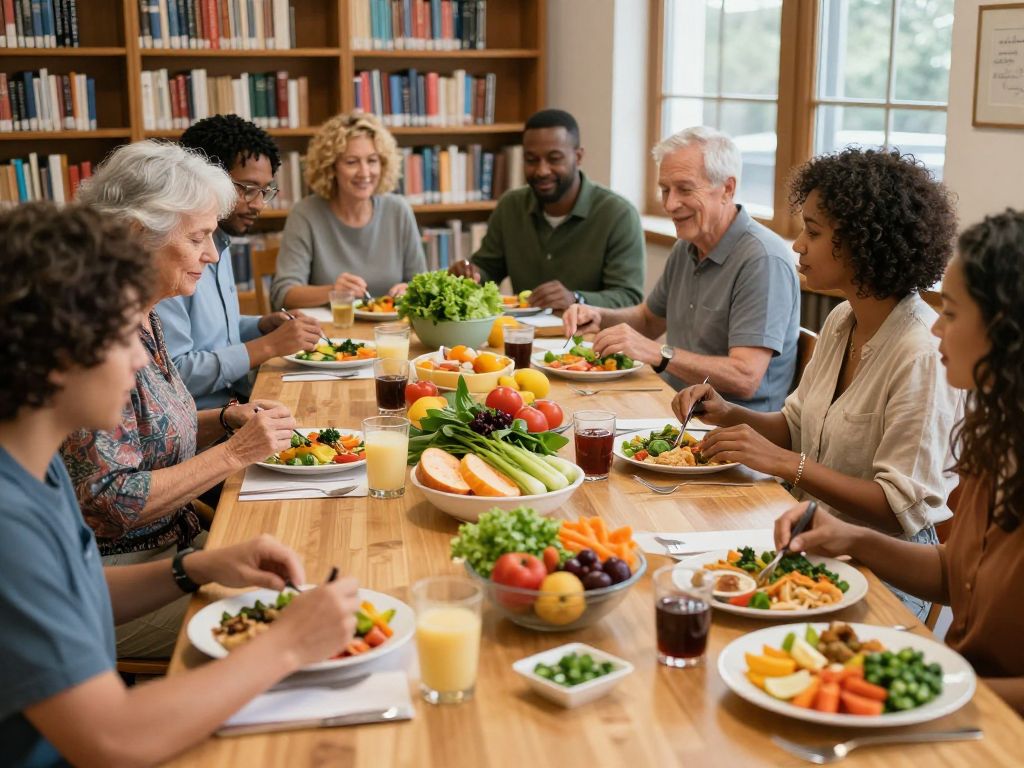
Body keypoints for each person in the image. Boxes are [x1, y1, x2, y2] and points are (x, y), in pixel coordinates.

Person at [0, 202, 359, 767]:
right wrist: (288, 643)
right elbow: (113, 739)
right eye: (124, 335)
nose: (144, 357)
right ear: (55, 358)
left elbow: (76, 592)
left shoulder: (32, 467)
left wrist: (192, 568)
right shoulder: (8, 525)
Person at [671, 148, 960, 620]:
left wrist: (788, 465)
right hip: (810, 534)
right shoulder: (843, 319)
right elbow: (797, 424)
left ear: (866, 242)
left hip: (885, 567)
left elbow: (897, 508)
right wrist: (728, 412)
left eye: (814, 231)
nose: (798, 244)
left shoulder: (920, 352)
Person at [774, 209, 1024, 715]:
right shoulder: (994, 437)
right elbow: (956, 576)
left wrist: (939, 687)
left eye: (951, 314)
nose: (937, 333)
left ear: (1005, 330)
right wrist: (850, 537)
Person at [67, 140, 298, 658]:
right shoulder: (93, 338)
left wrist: (227, 418)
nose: (213, 255)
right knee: (290, 630)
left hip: (172, 550)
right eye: (198, 238)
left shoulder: (143, 312)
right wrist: (235, 453)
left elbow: (146, 430)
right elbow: (107, 501)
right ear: (134, 236)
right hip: (116, 582)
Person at [564, 126, 799, 411]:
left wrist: (658, 353)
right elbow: (650, 320)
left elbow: (745, 377)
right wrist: (599, 316)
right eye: (664, 190)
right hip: (672, 404)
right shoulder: (688, 244)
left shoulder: (762, 259)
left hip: (733, 430)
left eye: (684, 189)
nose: (670, 204)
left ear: (727, 189)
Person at [155, 114, 324, 409]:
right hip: (204, 423)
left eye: (266, 190)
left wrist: (259, 326)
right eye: (247, 188)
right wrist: (268, 346)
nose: (258, 203)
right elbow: (174, 374)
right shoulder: (169, 255)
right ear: (206, 180)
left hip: (237, 403)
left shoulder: (221, 239)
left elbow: (212, 334)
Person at [449, 108, 645, 309]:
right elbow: (489, 269)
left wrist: (576, 299)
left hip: (586, 337)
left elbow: (628, 297)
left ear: (578, 157)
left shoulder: (618, 214)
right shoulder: (510, 206)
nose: (542, 170)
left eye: (554, 158)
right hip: (521, 335)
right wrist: (470, 274)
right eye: (531, 160)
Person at [271, 112, 426, 308]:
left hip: (391, 332)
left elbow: (421, 284)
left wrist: (410, 290)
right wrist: (333, 291)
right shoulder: (306, 213)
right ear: (331, 167)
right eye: (351, 162)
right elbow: (283, 295)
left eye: (372, 160)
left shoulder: (398, 210)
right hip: (330, 334)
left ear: (383, 163)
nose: (365, 173)